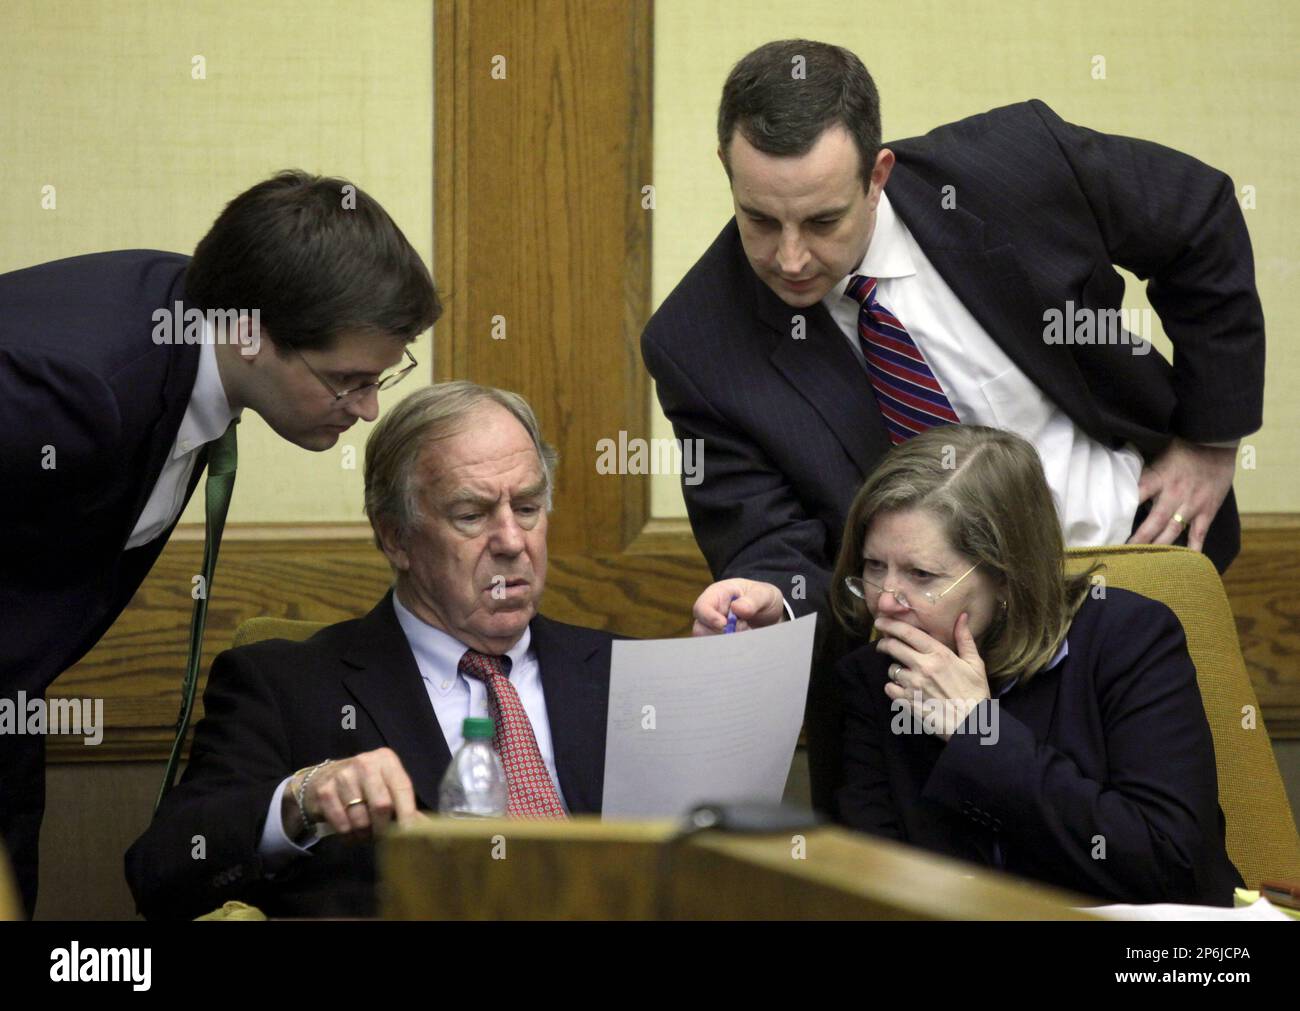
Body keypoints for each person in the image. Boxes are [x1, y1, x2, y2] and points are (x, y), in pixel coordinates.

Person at [643, 39, 1265, 812]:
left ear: (880, 174)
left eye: (823, 220)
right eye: (759, 219)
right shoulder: (698, 341)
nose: (791, 257)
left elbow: (1198, 218)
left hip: (1122, 587)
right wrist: (775, 597)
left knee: (1161, 865)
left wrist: (1211, 439)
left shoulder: (1013, 166)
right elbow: (770, 541)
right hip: (912, 670)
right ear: (726, 170)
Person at [0, 170, 439, 916]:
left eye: (381, 378)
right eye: (347, 381)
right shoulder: (76, 386)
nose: (367, 409)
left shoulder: (190, 320)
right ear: (251, 334)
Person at [125, 382, 620, 919]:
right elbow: (163, 870)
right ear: (395, 538)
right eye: (471, 515)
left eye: (527, 508)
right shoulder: (286, 685)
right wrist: (302, 801)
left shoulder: (624, 674)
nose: (512, 540)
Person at [698, 425, 1243, 905]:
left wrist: (980, 734)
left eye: (921, 575)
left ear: (1006, 575)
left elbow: (1171, 865)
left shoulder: (1129, 639)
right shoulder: (873, 678)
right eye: (872, 566)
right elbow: (869, 889)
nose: (886, 600)